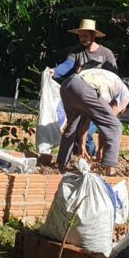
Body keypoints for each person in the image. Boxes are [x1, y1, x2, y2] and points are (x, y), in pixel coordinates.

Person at [50, 19, 117, 159]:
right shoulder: (77, 52)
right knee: (73, 130)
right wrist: (54, 72)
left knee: (86, 134)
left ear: (93, 36)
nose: (83, 39)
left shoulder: (106, 54)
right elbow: (67, 65)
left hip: (97, 99)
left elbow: (112, 77)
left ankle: (90, 158)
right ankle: (72, 160)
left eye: (86, 36)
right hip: (79, 97)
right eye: (81, 36)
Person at [57, 69, 129, 177]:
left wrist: (82, 144)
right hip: (83, 89)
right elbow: (108, 125)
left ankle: (61, 164)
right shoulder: (124, 92)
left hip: (68, 85)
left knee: (71, 128)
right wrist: (100, 151)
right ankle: (110, 171)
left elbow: (87, 118)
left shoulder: (111, 81)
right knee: (116, 126)